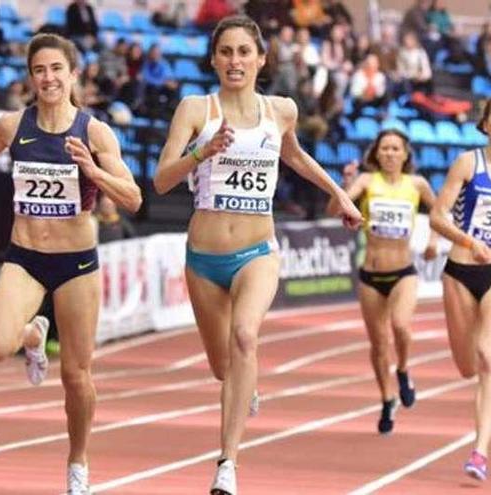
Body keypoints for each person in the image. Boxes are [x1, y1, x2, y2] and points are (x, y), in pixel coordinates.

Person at [152, 15, 361, 495]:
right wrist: (201, 155)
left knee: (245, 336)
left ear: (261, 59)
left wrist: (340, 195)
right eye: (225, 52)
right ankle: (243, 386)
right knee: (222, 367)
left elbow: (295, 156)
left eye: (244, 52)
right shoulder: (195, 109)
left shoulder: (280, 110)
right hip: (203, 256)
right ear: (213, 59)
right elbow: (162, 180)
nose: (235, 61)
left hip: (257, 251)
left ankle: (227, 464)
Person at [0, 33, 141, 495]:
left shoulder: (94, 132)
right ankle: (33, 332)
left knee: (76, 375)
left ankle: (78, 463)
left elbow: (133, 198)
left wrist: (94, 172)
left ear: (73, 74)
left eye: (57, 69)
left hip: (76, 263)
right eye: (40, 70)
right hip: (26, 256)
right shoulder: (14, 126)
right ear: (31, 77)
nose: (49, 78)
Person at [428, 91, 491, 482]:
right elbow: (437, 215)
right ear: (484, 123)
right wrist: (469, 242)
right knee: (467, 366)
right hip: (460, 272)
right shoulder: (469, 163)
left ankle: (480, 450)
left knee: (489, 356)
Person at [328, 130, 438, 434]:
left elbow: (439, 213)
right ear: (376, 154)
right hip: (371, 276)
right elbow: (334, 209)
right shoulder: (365, 182)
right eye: (384, 149)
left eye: (395, 148)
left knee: (401, 326)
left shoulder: (417, 184)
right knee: (378, 344)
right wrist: (345, 186)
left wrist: (433, 241)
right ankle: (387, 398)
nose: (389, 153)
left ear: (405, 154)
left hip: (403, 272)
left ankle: (403, 369)